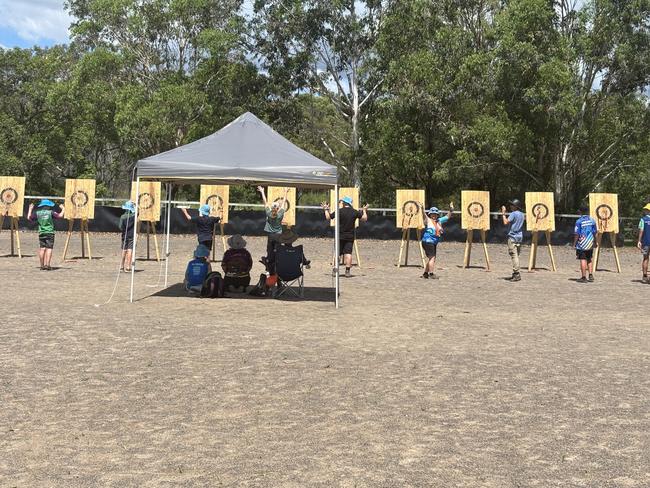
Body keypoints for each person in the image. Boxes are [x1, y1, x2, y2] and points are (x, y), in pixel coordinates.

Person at [321, 196, 368, 277]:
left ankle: (335, 271)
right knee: (348, 253)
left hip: (340, 236)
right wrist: (364, 210)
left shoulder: (339, 211)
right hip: (350, 236)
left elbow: (328, 217)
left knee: (337, 254)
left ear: (344, 203)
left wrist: (326, 209)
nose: (341, 203)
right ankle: (347, 271)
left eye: (342, 202)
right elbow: (364, 219)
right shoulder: (354, 212)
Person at [28, 199, 64, 270]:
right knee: (49, 248)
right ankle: (47, 265)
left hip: (41, 233)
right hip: (50, 232)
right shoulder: (51, 212)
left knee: (42, 248)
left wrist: (30, 209)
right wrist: (63, 209)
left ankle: (42, 266)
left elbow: (29, 218)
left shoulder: (37, 213)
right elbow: (60, 216)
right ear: (48, 206)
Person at [420, 203, 453, 279]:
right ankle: (431, 274)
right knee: (432, 258)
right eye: (432, 214)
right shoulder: (428, 220)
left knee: (432, 258)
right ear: (430, 215)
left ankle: (425, 273)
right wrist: (422, 209)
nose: (434, 215)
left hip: (433, 242)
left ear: (437, 215)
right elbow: (424, 215)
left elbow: (447, 216)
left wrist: (451, 210)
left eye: (435, 214)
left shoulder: (439, 221)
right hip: (428, 241)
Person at [257, 186, 289, 262]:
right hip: (278, 235)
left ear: (272, 208)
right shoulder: (280, 214)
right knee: (278, 249)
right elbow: (284, 202)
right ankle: (278, 261)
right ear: (278, 208)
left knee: (270, 249)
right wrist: (285, 192)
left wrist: (262, 191)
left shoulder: (269, 213)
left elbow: (265, 202)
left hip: (271, 235)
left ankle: (269, 260)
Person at [501, 199, 525, 281]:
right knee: (516, 255)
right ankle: (515, 273)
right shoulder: (522, 214)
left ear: (515, 206)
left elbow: (505, 222)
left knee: (514, 256)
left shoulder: (513, 214)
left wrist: (503, 213)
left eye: (512, 205)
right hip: (519, 237)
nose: (510, 206)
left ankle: (516, 274)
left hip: (512, 237)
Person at [574, 205, 598, 283]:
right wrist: (595, 241)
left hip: (582, 243)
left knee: (583, 259)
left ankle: (584, 277)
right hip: (590, 242)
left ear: (580, 212)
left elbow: (577, 233)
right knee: (589, 258)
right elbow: (595, 232)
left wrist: (574, 243)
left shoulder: (579, 221)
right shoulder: (592, 220)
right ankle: (590, 275)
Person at [119, 201, 136, 272]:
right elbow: (137, 211)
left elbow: (120, 227)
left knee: (124, 250)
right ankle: (128, 267)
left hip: (124, 235)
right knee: (130, 250)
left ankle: (122, 266)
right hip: (131, 235)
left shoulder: (122, 217)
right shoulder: (134, 216)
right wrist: (135, 205)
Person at [637, 203, 650, 283]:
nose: (644, 211)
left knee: (645, 258)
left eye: (646, 209)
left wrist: (639, 240)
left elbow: (641, 230)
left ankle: (644, 277)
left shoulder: (643, 219)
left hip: (646, 242)